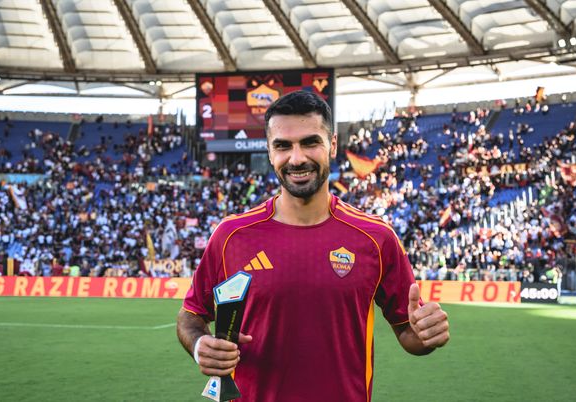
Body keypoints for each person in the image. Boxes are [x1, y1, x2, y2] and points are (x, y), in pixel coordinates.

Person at [176, 90, 450, 401]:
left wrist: (426, 334)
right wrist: (200, 345)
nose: (297, 158)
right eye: (283, 146)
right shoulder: (230, 235)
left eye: (310, 142)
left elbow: (408, 333)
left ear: (332, 145)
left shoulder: (376, 237)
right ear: (269, 151)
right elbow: (191, 314)